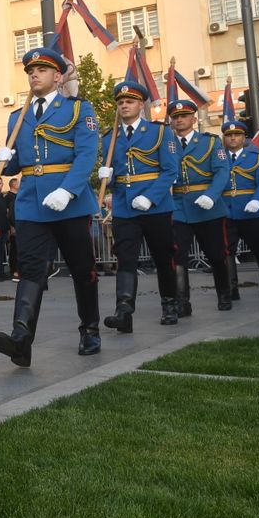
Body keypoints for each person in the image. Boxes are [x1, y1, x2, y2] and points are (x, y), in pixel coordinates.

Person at [0, 47, 100, 367]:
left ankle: (90, 329)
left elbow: (86, 155)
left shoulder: (78, 109)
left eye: (41, 70)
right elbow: (15, 167)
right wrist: (5, 162)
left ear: (57, 76)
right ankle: (21, 338)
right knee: (30, 271)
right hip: (31, 204)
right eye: (30, 71)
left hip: (70, 203)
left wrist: (68, 191)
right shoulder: (17, 116)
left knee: (82, 270)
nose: (34, 75)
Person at [97, 80, 180, 331]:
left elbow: (170, 170)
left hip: (156, 206)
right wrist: (107, 178)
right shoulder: (109, 138)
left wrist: (151, 197)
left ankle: (169, 304)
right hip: (124, 206)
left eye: (129, 101)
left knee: (163, 258)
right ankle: (124, 312)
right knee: (125, 258)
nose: (124, 105)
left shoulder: (160, 132)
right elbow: (115, 178)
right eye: (120, 102)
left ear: (140, 104)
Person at [167, 99, 233, 313]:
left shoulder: (211, 142)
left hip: (207, 206)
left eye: (184, 116)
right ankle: (182, 302)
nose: (179, 120)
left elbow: (223, 171)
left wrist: (212, 196)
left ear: (193, 119)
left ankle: (224, 294)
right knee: (177, 256)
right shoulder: (165, 143)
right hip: (178, 206)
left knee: (216, 254)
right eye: (175, 117)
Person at [221, 119, 259, 297]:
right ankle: (231, 288)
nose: (233, 138)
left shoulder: (256, 157)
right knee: (227, 250)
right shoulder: (219, 157)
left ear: (244, 137)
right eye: (229, 135)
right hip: (227, 210)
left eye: (237, 135)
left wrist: (257, 200)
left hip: (250, 210)